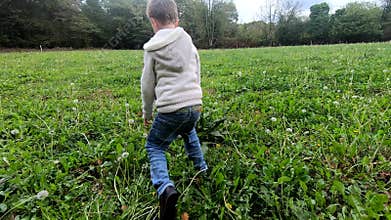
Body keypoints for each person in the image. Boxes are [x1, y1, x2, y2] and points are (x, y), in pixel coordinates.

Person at [141, 0, 208, 219]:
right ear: (176, 19)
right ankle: (202, 170)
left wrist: (147, 114)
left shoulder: (152, 48)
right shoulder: (188, 41)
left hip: (170, 109)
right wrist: (194, 94)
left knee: (155, 145)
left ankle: (165, 188)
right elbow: (196, 68)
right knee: (189, 130)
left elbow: (147, 87)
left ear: (153, 21)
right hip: (194, 104)